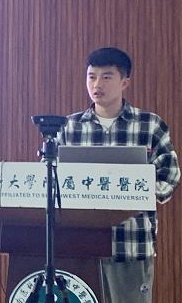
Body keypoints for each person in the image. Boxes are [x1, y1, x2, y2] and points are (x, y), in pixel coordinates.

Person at [58, 47, 180, 303]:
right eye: (91, 77)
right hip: (79, 245)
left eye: (106, 77)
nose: (97, 84)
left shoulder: (149, 125)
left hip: (130, 243)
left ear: (124, 82)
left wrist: (136, 194)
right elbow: (52, 178)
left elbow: (169, 175)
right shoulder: (69, 127)